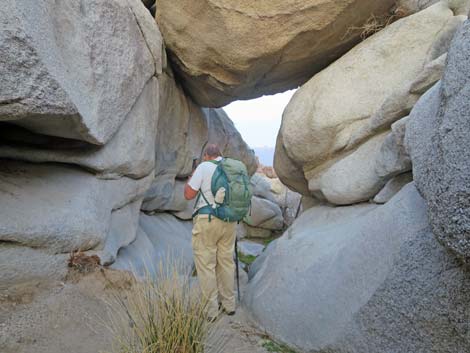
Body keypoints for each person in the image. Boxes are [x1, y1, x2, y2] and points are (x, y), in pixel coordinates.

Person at [184, 144, 237, 320]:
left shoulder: (203, 166)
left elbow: (189, 194)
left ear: (206, 156)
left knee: (206, 265)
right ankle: (229, 305)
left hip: (208, 220)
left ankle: (210, 311)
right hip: (230, 221)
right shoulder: (232, 167)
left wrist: (192, 178)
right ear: (220, 155)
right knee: (226, 262)